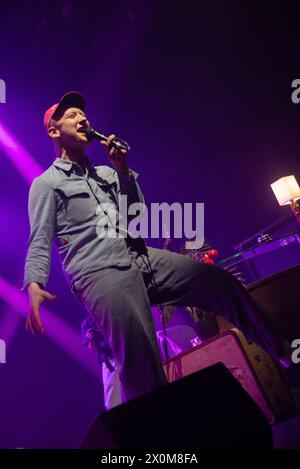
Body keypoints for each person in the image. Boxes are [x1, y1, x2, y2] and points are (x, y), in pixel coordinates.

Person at [24, 91, 294, 404]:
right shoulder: (46, 184)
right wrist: (35, 282)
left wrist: (123, 169)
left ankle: (288, 354)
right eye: (71, 115)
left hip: (141, 258)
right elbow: (40, 236)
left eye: (83, 115)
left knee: (218, 282)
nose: (83, 119)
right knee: (141, 359)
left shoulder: (107, 174)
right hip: (99, 273)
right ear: (54, 131)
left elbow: (138, 216)